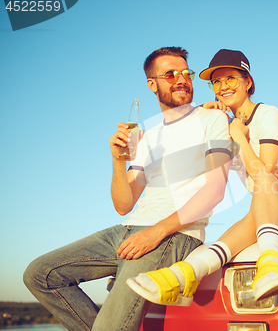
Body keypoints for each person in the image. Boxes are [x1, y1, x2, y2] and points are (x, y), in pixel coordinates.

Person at [23, 47, 231, 331]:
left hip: (173, 233)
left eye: (186, 73)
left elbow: (215, 191)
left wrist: (156, 231)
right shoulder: (146, 135)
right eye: (170, 74)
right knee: (40, 274)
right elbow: (123, 204)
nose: (181, 79)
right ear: (152, 84)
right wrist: (117, 160)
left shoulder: (212, 120)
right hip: (128, 229)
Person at [128, 49, 278, 305]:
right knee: (249, 221)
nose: (223, 86)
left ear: (248, 82)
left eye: (231, 79)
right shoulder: (223, 123)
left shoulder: (267, 114)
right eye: (216, 82)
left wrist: (239, 136)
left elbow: (266, 179)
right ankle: (181, 276)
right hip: (269, 204)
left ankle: (270, 264)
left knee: (258, 204)